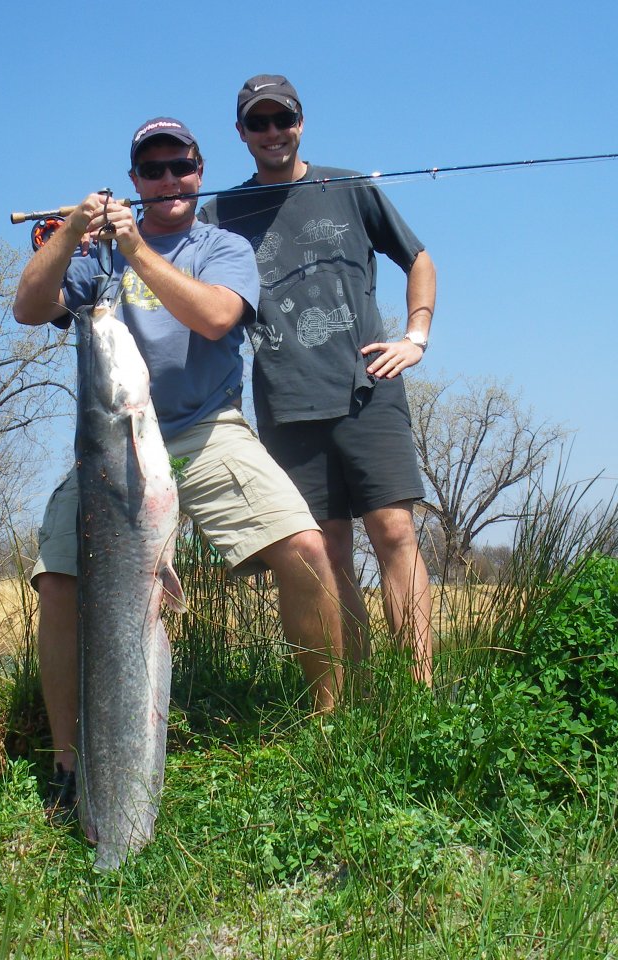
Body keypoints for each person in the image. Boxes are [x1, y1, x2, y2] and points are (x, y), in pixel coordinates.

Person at [13, 117, 345, 821]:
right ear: (133, 178)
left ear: (198, 172)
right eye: (152, 169)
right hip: (112, 445)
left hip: (204, 432)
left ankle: (331, 732)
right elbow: (30, 307)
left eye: (180, 168)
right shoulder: (91, 256)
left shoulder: (220, 246)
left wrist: (133, 247)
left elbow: (216, 318)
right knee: (58, 576)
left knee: (306, 549)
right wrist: (72, 232)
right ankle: (72, 764)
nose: (168, 180)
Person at [201, 75, 438, 685]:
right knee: (328, 553)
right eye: (259, 123)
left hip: (368, 389)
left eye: (283, 120)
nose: (273, 132)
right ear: (242, 134)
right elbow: (174, 258)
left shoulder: (349, 188)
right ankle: (357, 700)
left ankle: (418, 697)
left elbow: (419, 258)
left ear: (301, 123)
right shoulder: (219, 214)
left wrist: (415, 337)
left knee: (393, 531)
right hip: (284, 404)